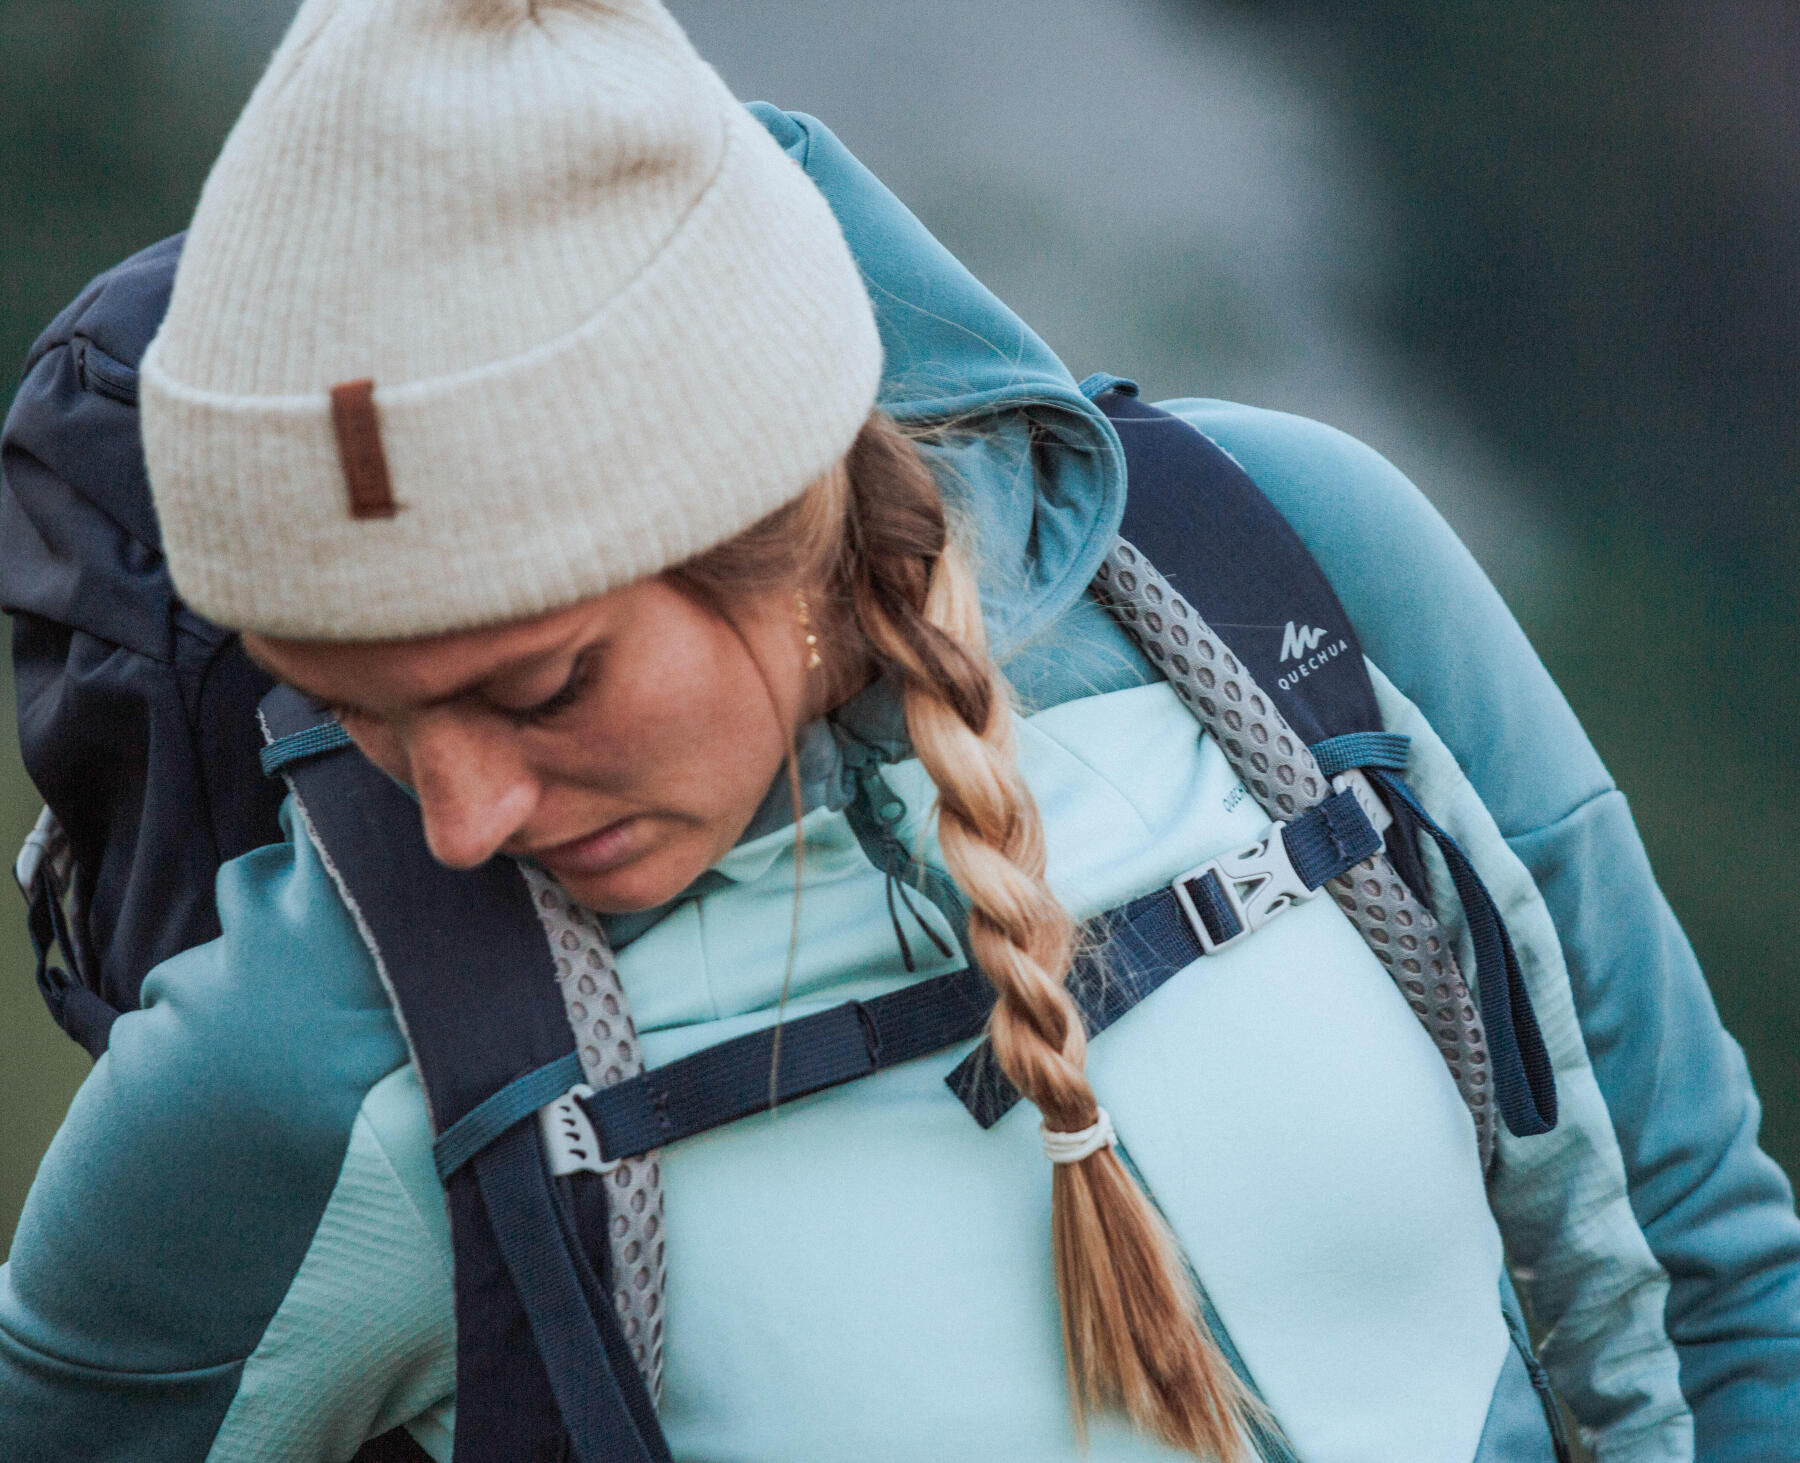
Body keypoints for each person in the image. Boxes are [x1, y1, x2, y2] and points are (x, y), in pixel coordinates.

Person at [2, 1, 1797, 1460]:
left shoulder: (1292, 571)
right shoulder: (323, 1046)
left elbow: (1708, 1266)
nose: (458, 819)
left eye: (543, 685)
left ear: (762, 506)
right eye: (361, 716)